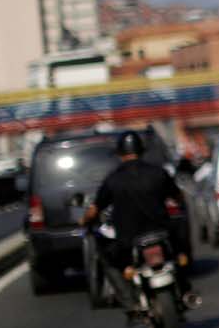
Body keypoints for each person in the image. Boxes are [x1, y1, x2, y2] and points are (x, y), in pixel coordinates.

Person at [81, 131, 190, 311]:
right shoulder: (158, 172)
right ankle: (185, 290)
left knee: (107, 259)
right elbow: (178, 197)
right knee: (180, 253)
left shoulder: (113, 179)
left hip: (128, 239)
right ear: (141, 150)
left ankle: (130, 303)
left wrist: (84, 221)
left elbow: (94, 210)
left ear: (120, 153)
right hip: (163, 232)